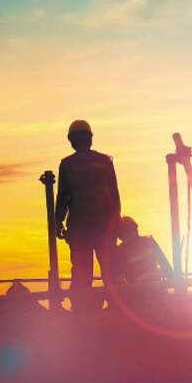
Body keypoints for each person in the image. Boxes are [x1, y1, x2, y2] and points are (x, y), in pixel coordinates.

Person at [55, 119, 121, 311]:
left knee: (83, 272)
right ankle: (116, 307)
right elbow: (115, 194)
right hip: (103, 227)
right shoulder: (104, 161)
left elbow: (63, 197)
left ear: (72, 140)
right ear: (90, 139)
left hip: (81, 229)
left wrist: (57, 223)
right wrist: (115, 221)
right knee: (109, 269)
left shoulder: (67, 164)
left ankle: (82, 309)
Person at [112, 216, 173, 286]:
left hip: (139, 292)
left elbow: (118, 278)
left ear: (121, 235)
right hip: (157, 289)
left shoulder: (121, 251)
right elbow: (166, 267)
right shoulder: (149, 242)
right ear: (135, 229)